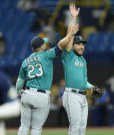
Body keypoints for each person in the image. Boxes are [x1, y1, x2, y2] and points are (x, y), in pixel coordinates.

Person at [16, 14, 79, 135]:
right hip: (41, 96)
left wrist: (20, 92)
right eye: (44, 43)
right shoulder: (46, 55)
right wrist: (70, 34)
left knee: (23, 126)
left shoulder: (25, 61)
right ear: (40, 46)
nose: (46, 44)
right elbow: (61, 45)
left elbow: (19, 82)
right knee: (36, 128)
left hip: (27, 93)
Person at [62, 3, 94, 135]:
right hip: (71, 95)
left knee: (82, 128)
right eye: (78, 44)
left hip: (82, 95)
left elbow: (84, 80)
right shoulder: (68, 55)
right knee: (75, 127)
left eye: (83, 44)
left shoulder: (83, 60)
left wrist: (91, 86)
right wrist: (73, 18)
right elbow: (69, 35)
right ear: (73, 45)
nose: (81, 46)